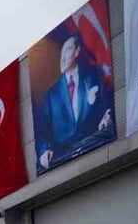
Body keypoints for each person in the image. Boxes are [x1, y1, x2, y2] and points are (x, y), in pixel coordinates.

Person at [36, 33, 113, 170]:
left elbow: (107, 103)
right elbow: (41, 132)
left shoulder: (93, 75)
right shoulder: (51, 95)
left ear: (77, 51)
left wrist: (107, 116)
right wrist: (43, 151)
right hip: (63, 158)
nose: (62, 58)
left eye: (67, 50)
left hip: (95, 149)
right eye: (61, 53)